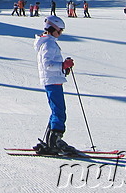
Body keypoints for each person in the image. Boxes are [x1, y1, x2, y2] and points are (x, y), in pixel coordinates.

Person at [33, 15, 77, 155]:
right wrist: (63, 65)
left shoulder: (48, 42)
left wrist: (63, 68)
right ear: (52, 30)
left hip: (53, 80)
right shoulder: (49, 44)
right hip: (52, 81)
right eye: (60, 31)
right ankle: (54, 142)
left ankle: (51, 140)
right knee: (59, 111)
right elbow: (48, 65)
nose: (61, 34)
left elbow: (52, 65)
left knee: (56, 110)